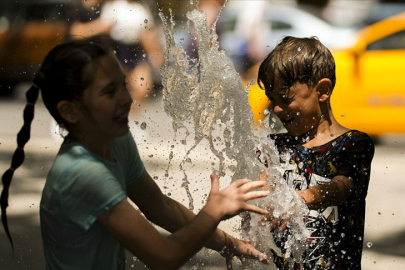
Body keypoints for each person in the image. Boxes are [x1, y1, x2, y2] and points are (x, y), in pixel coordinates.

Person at [0, 40, 272, 270]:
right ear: (70, 111)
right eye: (109, 91)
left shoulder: (115, 140)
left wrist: (230, 244)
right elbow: (163, 257)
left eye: (122, 85)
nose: (126, 99)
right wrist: (215, 210)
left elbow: (158, 206)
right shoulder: (82, 173)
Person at [256, 36, 375, 269]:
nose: (277, 109)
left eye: (286, 99)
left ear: (322, 91)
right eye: (272, 100)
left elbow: (342, 187)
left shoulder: (353, 144)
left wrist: (299, 200)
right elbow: (261, 197)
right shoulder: (272, 147)